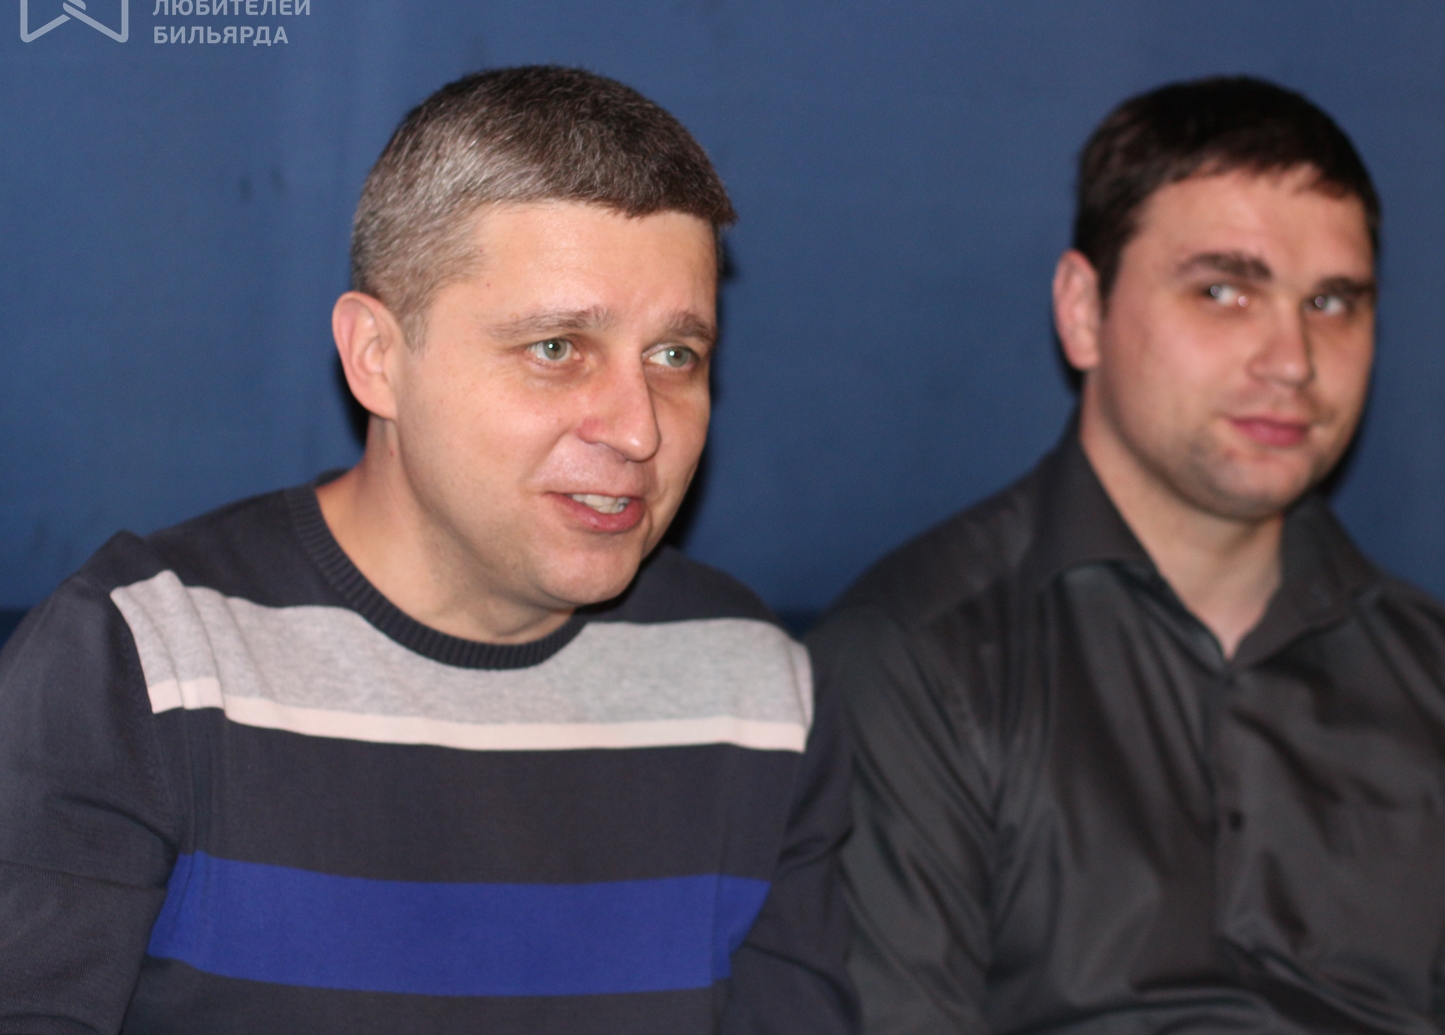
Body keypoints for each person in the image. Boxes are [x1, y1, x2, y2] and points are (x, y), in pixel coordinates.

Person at [0, 66, 854, 1033]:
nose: (638, 428)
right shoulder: (144, 665)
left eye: (675, 356)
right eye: (557, 348)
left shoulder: (755, 692)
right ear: (377, 357)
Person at [808, 76, 1445, 1034]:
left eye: (1332, 302)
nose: (1293, 359)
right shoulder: (915, 659)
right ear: (1083, 311)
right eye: (1225, 291)